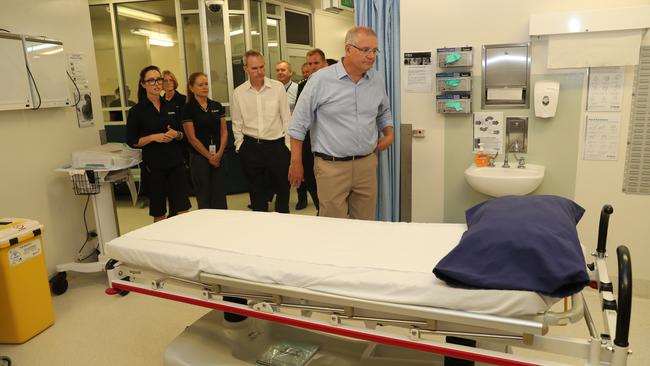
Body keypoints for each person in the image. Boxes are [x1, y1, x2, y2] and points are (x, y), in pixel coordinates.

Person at [288, 27, 394, 220]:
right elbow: (298, 124)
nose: (371, 56)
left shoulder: (376, 79)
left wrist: (389, 134)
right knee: (334, 229)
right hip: (331, 167)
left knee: (365, 224)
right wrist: (296, 162)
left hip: (366, 165)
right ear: (348, 49)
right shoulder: (320, 80)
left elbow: (383, 111)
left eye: (375, 51)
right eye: (365, 50)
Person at [126, 65, 191, 222]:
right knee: (159, 211)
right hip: (154, 167)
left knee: (183, 208)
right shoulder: (137, 111)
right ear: (143, 84)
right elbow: (132, 141)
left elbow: (183, 135)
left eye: (158, 79)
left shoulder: (171, 106)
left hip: (176, 164)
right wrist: (153, 137)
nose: (156, 83)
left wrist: (176, 134)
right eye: (151, 80)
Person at [231, 50, 291, 213]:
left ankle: (285, 227)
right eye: (255, 68)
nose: (260, 72)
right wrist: (240, 145)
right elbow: (237, 123)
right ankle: (260, 230)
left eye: (262, 67)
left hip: (277, 147)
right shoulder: (239, 93)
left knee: (283, 191)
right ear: (246, 69)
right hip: (251, 148)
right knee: (256, 195)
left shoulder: (277, 88)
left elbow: (286, 118)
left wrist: (288, 147)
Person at [182, 72, 228, 209]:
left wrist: (219, 154)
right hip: (200, 158)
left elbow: (224, 132)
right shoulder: (188, 109)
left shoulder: (216, 106)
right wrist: (209, 156)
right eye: (200, 85)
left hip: (219, 156)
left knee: (220, 194)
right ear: (191, 88)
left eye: (206, 84)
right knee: (204, 196)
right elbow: (191, 138)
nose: (204, 87)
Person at [294, 48, 328, 211]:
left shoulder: (336, 84)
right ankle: (319, 210)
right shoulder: (303, 86)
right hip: (309, 140)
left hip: (329, 142)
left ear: (325, 64)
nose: (313, 67)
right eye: (310, 63)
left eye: (316, 63)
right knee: (310, 178)